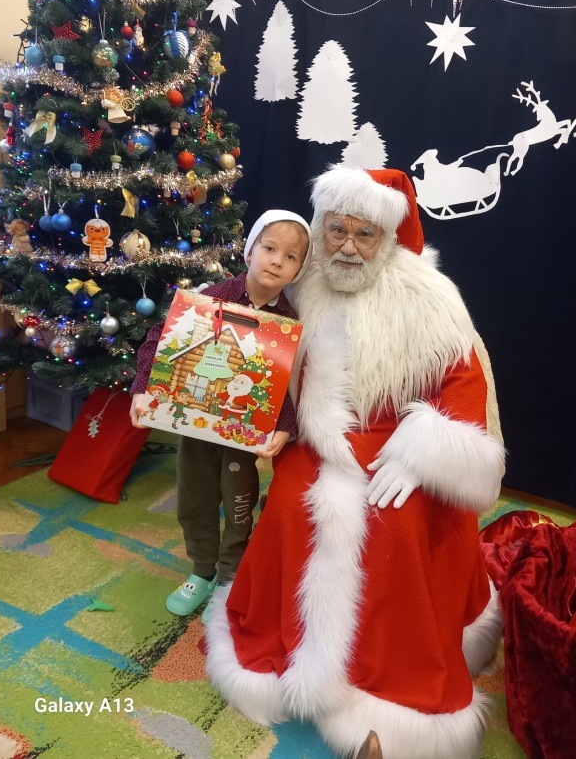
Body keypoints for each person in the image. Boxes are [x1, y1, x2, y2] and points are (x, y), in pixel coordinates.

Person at [205, 167, 506, 759]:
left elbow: (464, 384)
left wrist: (422, 454)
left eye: (364, 234)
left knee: (397, 526)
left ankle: (387, 693)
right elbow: (254, 345)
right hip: (315, 440)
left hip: (400, 444)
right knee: (291, 508)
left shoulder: (430, 298)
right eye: (336, 230)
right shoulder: (301, 282)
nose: (347, 246)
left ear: (387, 237)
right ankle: (289, 655)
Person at [129, 210, 312, 619]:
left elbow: (281, 380)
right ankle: (202, 570)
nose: (277, 261)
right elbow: (159, 339)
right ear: (250, 251)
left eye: (291, 256)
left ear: (299, 269)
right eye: (269, 248)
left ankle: (230, 579)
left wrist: (284, 427)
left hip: (242, 436)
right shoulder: (214, 295)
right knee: (194, 500)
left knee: (239, 505)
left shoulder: (286, 321)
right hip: (196, 427)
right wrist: (142, 388)